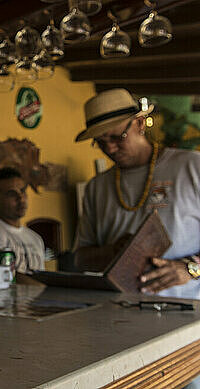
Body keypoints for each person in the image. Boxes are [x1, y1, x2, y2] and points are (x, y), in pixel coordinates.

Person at [74, 88, 200, 299]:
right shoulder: (96, 187)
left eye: (117, 137)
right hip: (119, 316)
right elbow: (81, 259)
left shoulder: (192, 167)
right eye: (101, 142)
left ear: (140, 123)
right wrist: (113, 251)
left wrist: (190, 269)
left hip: (189, 319)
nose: (111, 149)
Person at [0, 167, 45, 273]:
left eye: (23, 191)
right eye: (11, 194)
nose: (21, 199)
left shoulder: (36, 238)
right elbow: (1, 277)